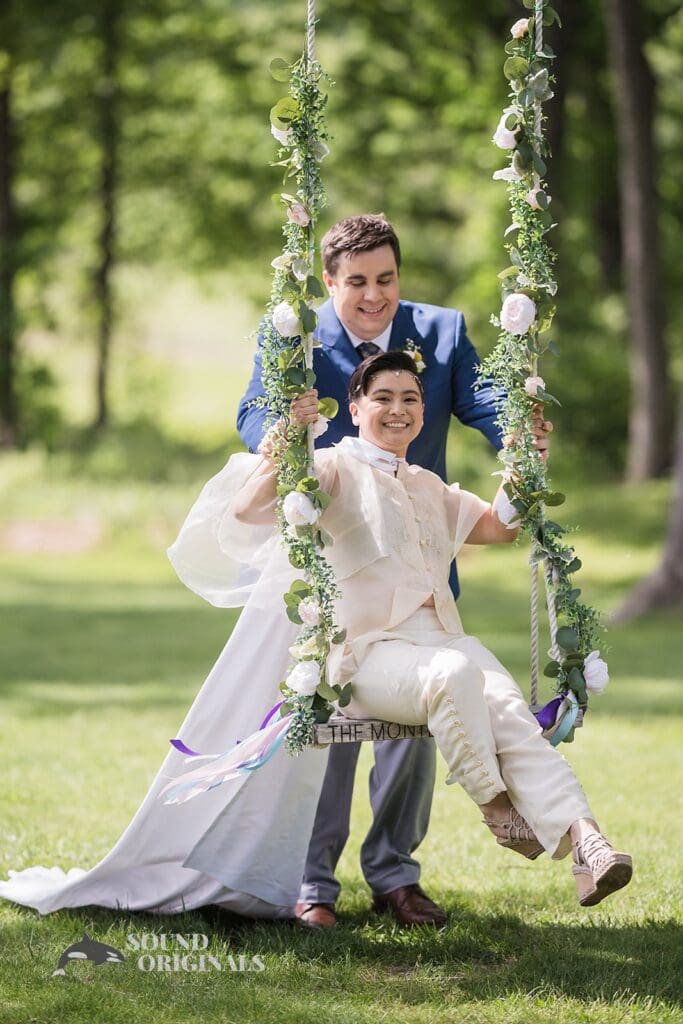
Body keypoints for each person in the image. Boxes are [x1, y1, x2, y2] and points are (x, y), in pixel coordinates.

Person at [0, 352, 630, 919]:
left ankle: (587, 843)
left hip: (442, 636)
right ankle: (496, 808)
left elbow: (499, 526)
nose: (399, 409)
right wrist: (287, 442)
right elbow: (248, 511)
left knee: (508, 709)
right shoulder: (331, 467)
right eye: (383, 397)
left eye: (411, 398)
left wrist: (526, 461)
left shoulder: (427, 484)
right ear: (355, 408)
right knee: (457, 676)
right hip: (369, 653)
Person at [237, 213, 552, 928]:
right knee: (326, 724)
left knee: (418, 725)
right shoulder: (294, 335)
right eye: (357, 282)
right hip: (331, 573)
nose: (374, 295)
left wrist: (519, 433)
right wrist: (289, 432)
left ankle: (394, 874)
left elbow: (484, 401)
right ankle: (313, 882)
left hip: (419, 568)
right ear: (329, 282)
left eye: (386, 279)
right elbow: (252, 411)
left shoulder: (441, 332)